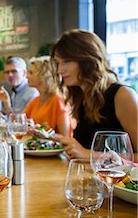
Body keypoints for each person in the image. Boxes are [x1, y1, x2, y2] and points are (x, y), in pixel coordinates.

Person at [51, 29, 138, 159]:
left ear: (87, 59)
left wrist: (90, 155)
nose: (59, 70)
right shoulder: (83, 96)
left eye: (66, 62)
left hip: (117, 179)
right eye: (58, 63)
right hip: (88, 177)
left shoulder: (122, 95)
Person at [23, 56, 72, 136]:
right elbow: (20, 122)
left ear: (44, 76)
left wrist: (43, 132)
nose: (26, 76)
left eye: (31, 73)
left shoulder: (58, 101)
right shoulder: (36, 100)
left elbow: (66, 137)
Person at [0, 56, 39, 122]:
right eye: (7, 72)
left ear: (24, 73)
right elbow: (14, 118)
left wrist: (1, 118)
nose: (10, 75)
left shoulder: (32, 92)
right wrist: (1, 116)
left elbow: (24, 122)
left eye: (14, 71)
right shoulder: (16, 90)